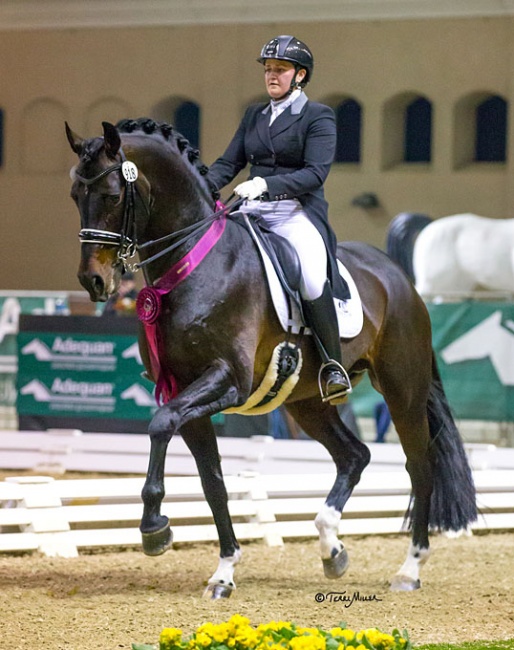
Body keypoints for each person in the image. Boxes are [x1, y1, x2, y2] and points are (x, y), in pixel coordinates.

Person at [206, 35, 351, 403]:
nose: (271, 76)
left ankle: (333, 365)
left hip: (294, 211)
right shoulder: (254, 114)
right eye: (268, 69)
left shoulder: (318, 116)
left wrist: (266, 184)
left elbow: (316, 173)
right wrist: (201, 187)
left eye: (280, 70)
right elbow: (229, 162)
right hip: (251, 207)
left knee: (311, 275)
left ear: (299, 75)